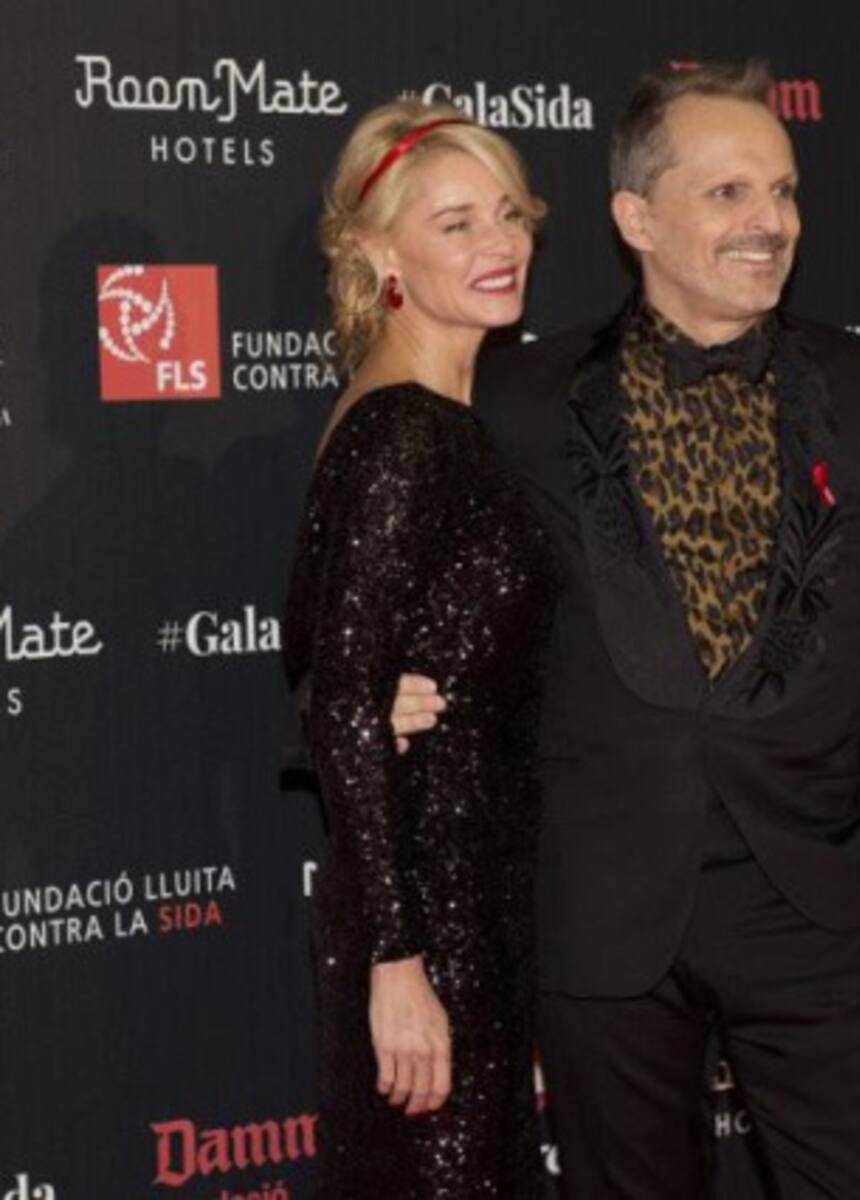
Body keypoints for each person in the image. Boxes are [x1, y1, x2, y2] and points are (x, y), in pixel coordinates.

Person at [393, 61, 860, 1198]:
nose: (770, 221)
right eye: (728, 193)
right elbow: (409, 613)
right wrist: (394, 686)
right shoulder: (515, 405)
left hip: (815, 898)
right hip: (599, 907)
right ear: (636, 218)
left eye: (784, 191)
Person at [283, 100, 556, 1198]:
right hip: (432, 917)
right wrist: (398, 963)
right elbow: (346, 693)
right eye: (456, 223)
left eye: (509, 213)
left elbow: (325, 670)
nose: (500, 244)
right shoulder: (408, 431)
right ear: (378, 254)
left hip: (469, 902)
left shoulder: (436, 417)